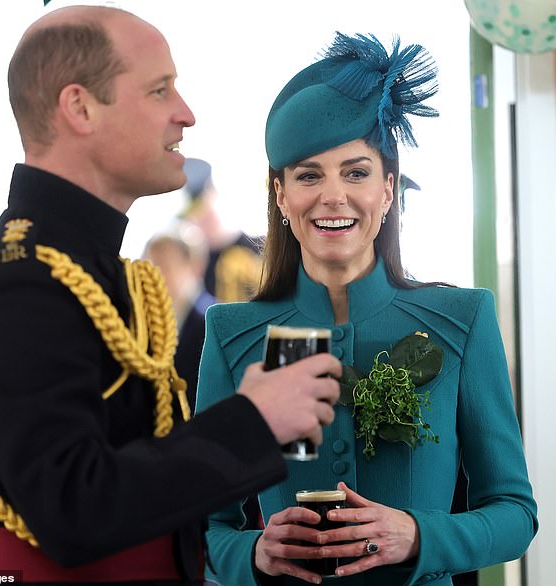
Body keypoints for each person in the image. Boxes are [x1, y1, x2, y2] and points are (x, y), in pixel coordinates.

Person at [0, 6, 343, 584]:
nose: (186, 114)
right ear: (80, 108)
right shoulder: (19, 279)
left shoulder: (102, 271)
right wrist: (253, 419)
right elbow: (75, 506)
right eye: (159, 90)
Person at [195, 33, 538, 585]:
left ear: (388, 190)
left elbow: (516, 515)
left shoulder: (463, 320)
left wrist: (419, 534)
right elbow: (202, 527)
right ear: (281, 196)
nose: (334, 196)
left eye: (355, 172)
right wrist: (255, 554)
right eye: (309, 175)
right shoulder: (232, 334)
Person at [143, 222, 215, 412]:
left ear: (194, 266)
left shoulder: (214, 320)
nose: (155, 275)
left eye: (164, 265)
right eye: (149, 265)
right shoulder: (144, 318)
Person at [179, 157, 263, 302]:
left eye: (206, 210)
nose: (203, 219)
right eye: (196, 215)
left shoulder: (262, 247)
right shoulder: (196, 267)